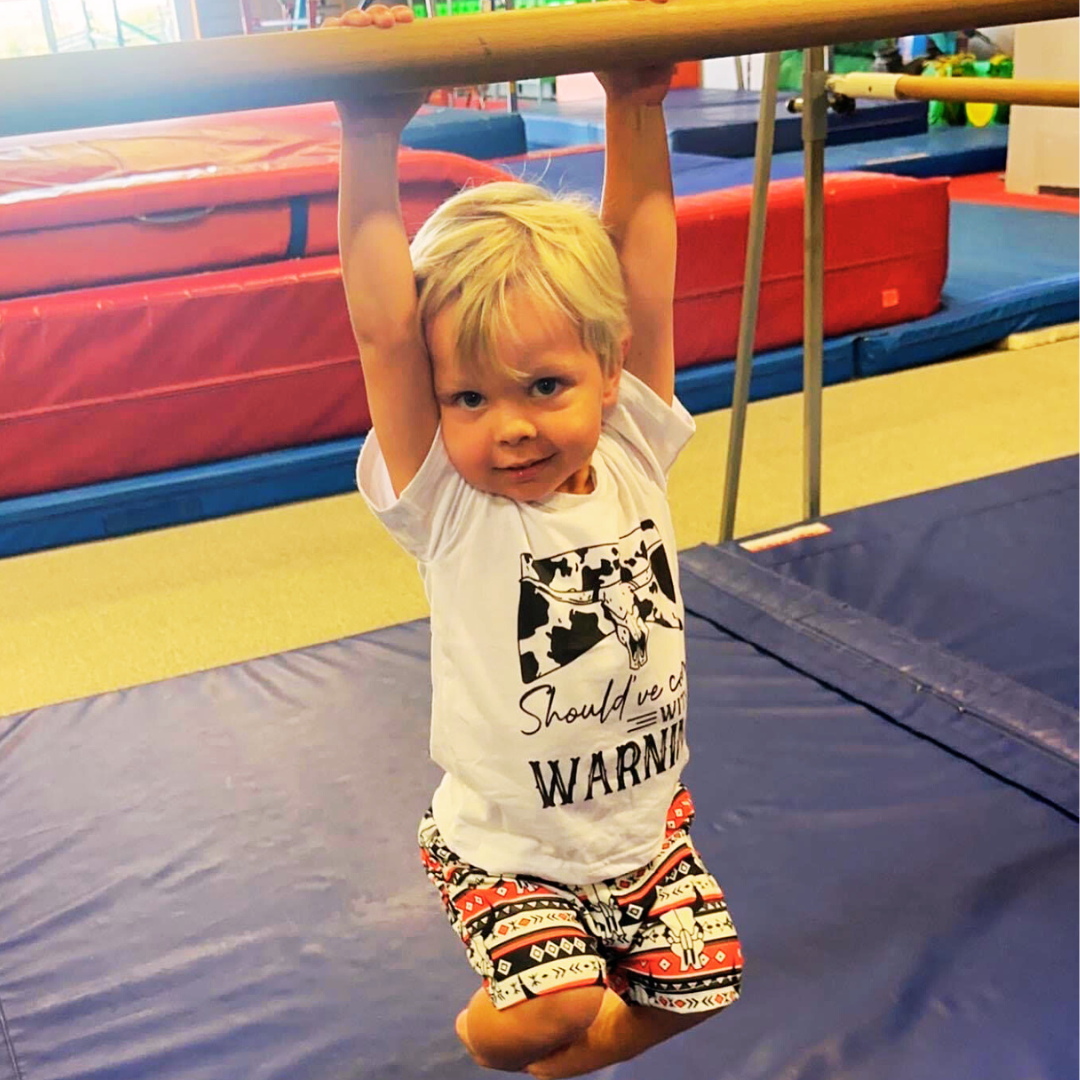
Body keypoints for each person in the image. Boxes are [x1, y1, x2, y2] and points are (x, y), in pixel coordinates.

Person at [325, 2, 743, 1074]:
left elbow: (643, 269)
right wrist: (369, 134)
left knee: (699, 992)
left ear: (609, 376)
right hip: (508, 844)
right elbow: (381, 325)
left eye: (544, 387)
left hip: (643, 829)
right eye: (466, 397)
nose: (507, 425)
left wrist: (634, 103)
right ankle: (496, 1048)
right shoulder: (451, 501)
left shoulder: (634, 438)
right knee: (545, 1012)